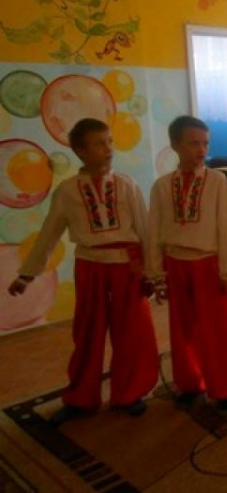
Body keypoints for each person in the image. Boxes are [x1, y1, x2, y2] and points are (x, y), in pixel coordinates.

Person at [7, 118, 158, 426]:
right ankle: (81, 397)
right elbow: (49, 233)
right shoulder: (67, 191)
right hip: (90, 267)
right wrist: (27, 274)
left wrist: (153, 272)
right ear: (80, 150)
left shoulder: (127, 185)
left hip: (127, 268)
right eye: (99, 144)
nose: (108, 149)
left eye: (110, 142)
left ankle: (128, 393)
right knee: (87, 333)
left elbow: (145, 231)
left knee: (131, 333)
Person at [148, 115, 227, 411]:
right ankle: (191, 381)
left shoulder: (217, 181)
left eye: (205, 144)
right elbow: (154, 230)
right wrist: (156, 272)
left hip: (209, 265)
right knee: (183, 329)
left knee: (218, 329)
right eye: (193, 143)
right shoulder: (160, 187)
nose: (201, 150)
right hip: (175, 264)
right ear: (175, 145)